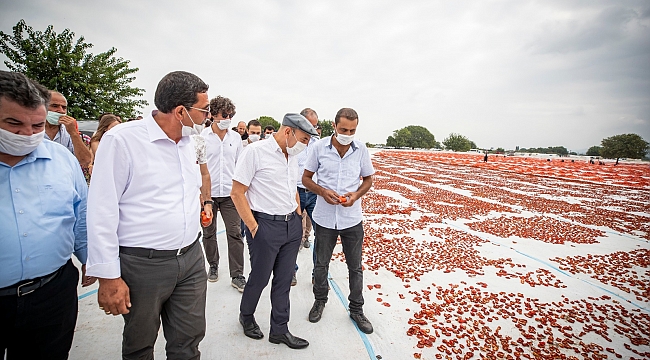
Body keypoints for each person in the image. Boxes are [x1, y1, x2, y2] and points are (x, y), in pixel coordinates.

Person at [86, 71, 210, 359]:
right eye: (203, 110)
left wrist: (205, 205)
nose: (207, 117)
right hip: (144, 265)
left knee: (188, 340)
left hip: (190, 258)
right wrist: (108, 276)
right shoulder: (122, 141)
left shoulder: (189, 143)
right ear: (181, 111)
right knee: (140, 344)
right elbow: (101, 210)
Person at [0, 71, 95, 359]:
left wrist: (91, 258)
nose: (27, 134)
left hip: (53, 292)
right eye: (14, 124)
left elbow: (81, 215)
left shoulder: (61, 159)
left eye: (37, 125)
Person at [231, 113, 317, 349]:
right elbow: (237, 193)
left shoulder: (293, 156)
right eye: (304, 138)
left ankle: (279, 329)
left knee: (283, 280)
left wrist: (298, 213)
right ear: (288, 131)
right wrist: (254, 227)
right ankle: (246, 317)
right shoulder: (255, 152)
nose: (306, 144)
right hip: (265, 225)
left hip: (291, 226)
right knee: (259, 278)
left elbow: (293, 188)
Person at [302, 108, 375, 334]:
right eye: (344, 129)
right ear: (334, 126)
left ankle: (356, 309)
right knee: (321, 263)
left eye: (352, 130)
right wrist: (322, 192)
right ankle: (320, 300)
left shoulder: (361, 149)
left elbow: (368, 179)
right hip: (324, 217)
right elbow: (306, 178)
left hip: (351, 218)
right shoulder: (318, 148)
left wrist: (355, 195)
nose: (348, 133)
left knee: (355, 266)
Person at [200, 95, 246, 291]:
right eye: (223, 115)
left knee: (235, 233)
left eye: (230, 115)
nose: (227, 118)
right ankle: (213, 265)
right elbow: (198, 169)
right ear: (212, 115)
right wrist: (203, 197)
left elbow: (240, 167)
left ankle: (237, 274)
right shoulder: (201, 137)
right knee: (209, 232)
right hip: (208, 194)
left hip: (229, 194)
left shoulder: (235, 138)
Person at [44, 91, 93, 167]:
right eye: (54, 106)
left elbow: (85, 161)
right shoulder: (32, 130)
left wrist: (74, 133)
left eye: (64, 107)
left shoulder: (68, 132)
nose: (61, 111)